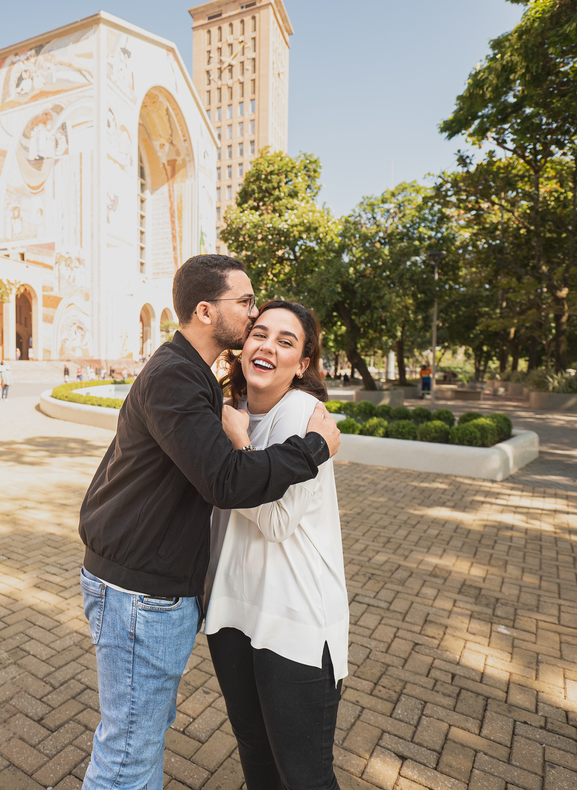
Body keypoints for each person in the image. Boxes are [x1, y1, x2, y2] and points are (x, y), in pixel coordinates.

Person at [79, 255, 342, 790]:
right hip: (145, 596)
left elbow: (248, 500)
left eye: (284, 339)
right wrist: (313, 448)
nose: (253, 317)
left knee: (137, 747)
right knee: (129, 755)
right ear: (205, 311)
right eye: (247, 306)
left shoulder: (222, 391)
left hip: (241, 612)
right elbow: (225, 482)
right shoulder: (183, 380)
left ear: (303, 362)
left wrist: (265, 440)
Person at [207, 301, 348, 790]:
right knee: (256, 758)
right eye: (259, 334)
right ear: (243, 345)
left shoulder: (302, 413)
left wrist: (238, 448)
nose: (267, 346)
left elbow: (278, 520)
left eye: (285, 341)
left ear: (302, 364)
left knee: (304, 776)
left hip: (293, 621)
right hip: (232, 614)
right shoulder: (233, 412)